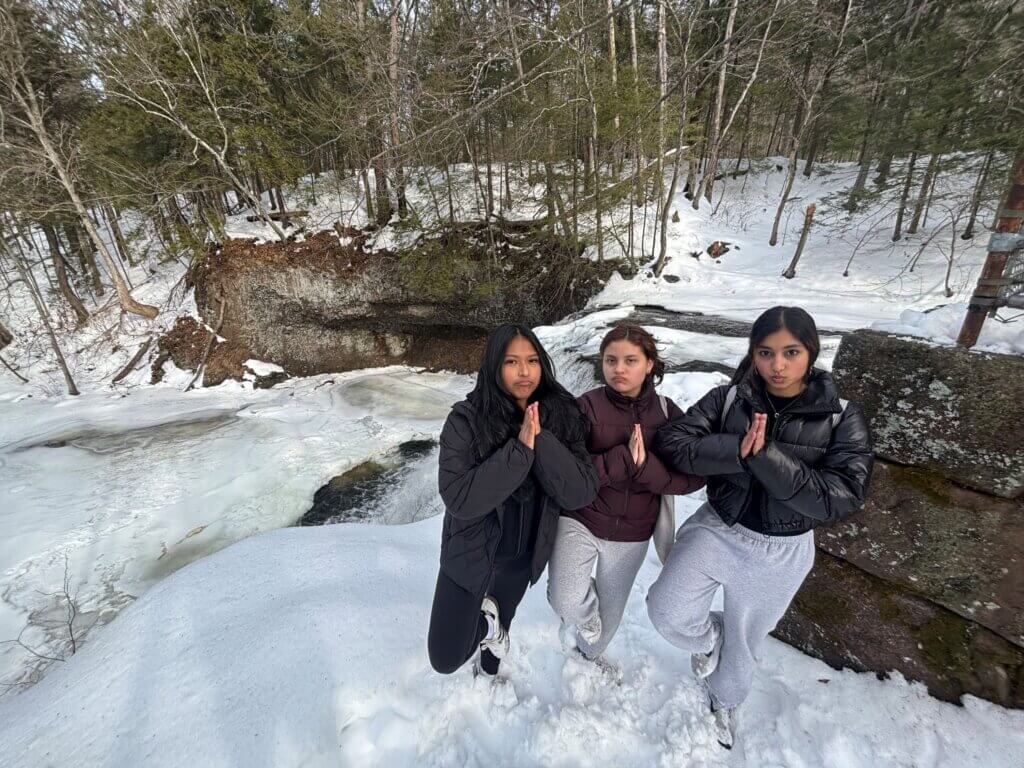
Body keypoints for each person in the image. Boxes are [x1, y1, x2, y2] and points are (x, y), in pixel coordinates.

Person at [648, 306, 874, 749]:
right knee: (666, 611)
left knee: (745, 644)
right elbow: (673, 442)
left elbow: (842, 494)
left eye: (791, 352)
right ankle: (712, 637)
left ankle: (724, 701)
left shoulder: (841, 416)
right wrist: (737, 449)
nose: (778, 365)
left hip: (782, 549)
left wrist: (766, 459)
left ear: (810, 351)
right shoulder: (729, 398)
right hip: (719, 526)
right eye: (766, 352)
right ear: (753, 353)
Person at [427, 324, 599, 677]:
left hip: (522, 556)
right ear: (494, 366)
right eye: (512, 362)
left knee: (505, 611)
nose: (524, 371)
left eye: (532, 360)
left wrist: (542, 441)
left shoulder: (563, 415)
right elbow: (460, 498)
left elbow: (581, 491)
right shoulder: (465, 420)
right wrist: (520, 450)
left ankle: (490, 666)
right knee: (444, 658)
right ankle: (489, 630)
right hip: (471, 553)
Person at [547, 324, 704, 662]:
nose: (618, 369)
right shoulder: (586, 407)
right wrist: (621, 460)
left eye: (630, 360)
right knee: (566, 598)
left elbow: (693, 475)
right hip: (582, 518)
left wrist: (646, 468)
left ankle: (588, 656)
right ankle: (583, 619)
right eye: (611, 360)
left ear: (649, 365)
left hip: (633, 534)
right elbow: (563, 468)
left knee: (609, 622)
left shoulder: (667, 414)